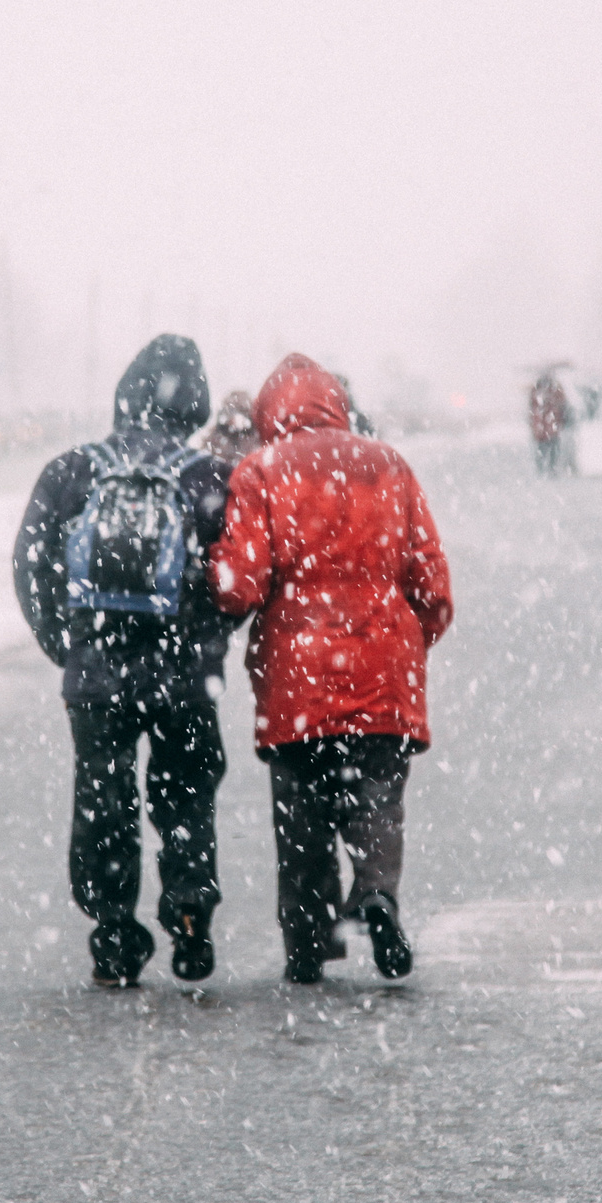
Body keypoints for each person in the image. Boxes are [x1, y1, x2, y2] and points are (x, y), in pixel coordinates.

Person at [209, 354, 454, 984]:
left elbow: (240, 586)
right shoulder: (390, 465)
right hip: (385, 667)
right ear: (335, 404)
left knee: (302, 817)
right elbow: (432, 585)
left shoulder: (260, 470)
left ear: (269, 413)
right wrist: (404, 645)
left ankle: (309, 943)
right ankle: (377, 892)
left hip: (298, 679)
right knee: (378, 799)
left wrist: (212, 574)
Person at [13, 335, 239, 988]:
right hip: (183, 676)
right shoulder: (211, 478)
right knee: (186, 795)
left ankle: (113, 932)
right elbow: (239, 577)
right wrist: (206, 640)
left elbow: (30, 564)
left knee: (103, 799)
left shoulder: (71, 470)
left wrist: (67, 642)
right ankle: (189, 910)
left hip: (97, 674)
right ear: (194, 403)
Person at [528, 369, 573, 477]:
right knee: (550, 449)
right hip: (549, 427)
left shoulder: (538, 391)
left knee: (545, 449)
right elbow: (562, 406)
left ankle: (545, 469)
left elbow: (533, 409)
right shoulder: (554, 391)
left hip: (545, 428)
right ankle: (549, 468)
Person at [201, 388, 259, 462]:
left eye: (241, 411)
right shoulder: (214, 438)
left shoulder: (254, 440)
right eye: (232, 411)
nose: (236, 418)